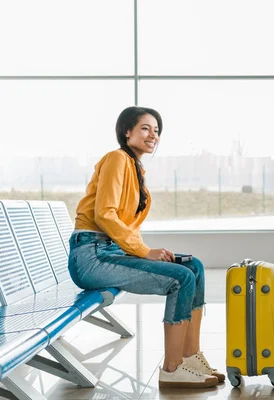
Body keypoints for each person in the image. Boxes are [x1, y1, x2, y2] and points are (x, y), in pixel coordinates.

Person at [68, 106, 223, 389]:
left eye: (157, 130)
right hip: (91, 256)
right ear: (126, 131)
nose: (153, 135)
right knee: (181, 277)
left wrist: (143, 250)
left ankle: (189, 357)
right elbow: (105, 214)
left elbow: (123, 224)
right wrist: (143, 251)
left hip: (110, 251)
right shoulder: (116, 158)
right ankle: (172, 369)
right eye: (145, 128)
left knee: (193, 267)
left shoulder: (135, 167)